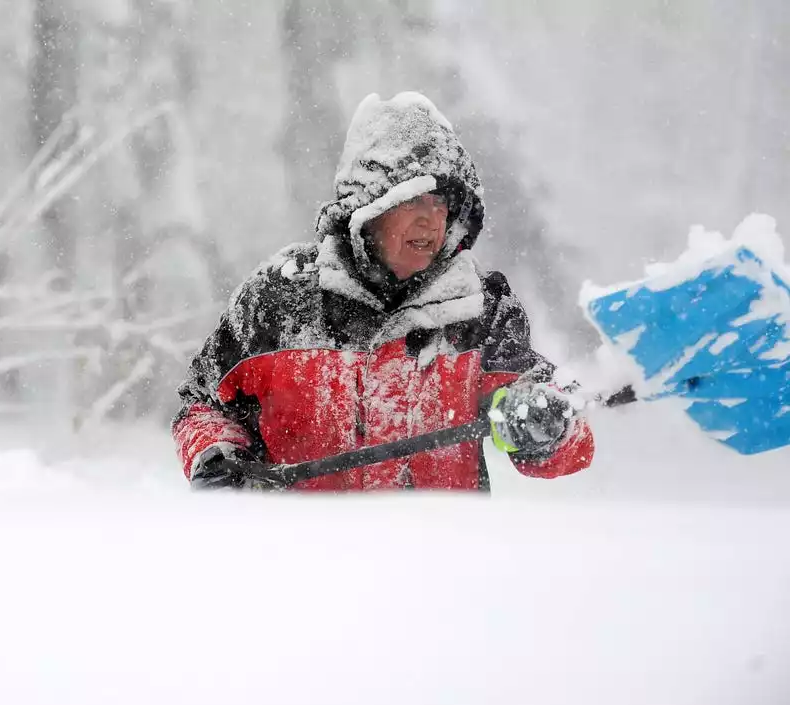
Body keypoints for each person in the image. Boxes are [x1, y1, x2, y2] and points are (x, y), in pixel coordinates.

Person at [173, 92, 594, 492]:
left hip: (441, 559)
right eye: (416, 200)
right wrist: (216, 455)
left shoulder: (481, 310)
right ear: (368, 207)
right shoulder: (278, 301)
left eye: (442, 205)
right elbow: (202, 404)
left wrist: (545, 428)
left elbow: (561, 435)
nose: (432, 221)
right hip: (297, 559)